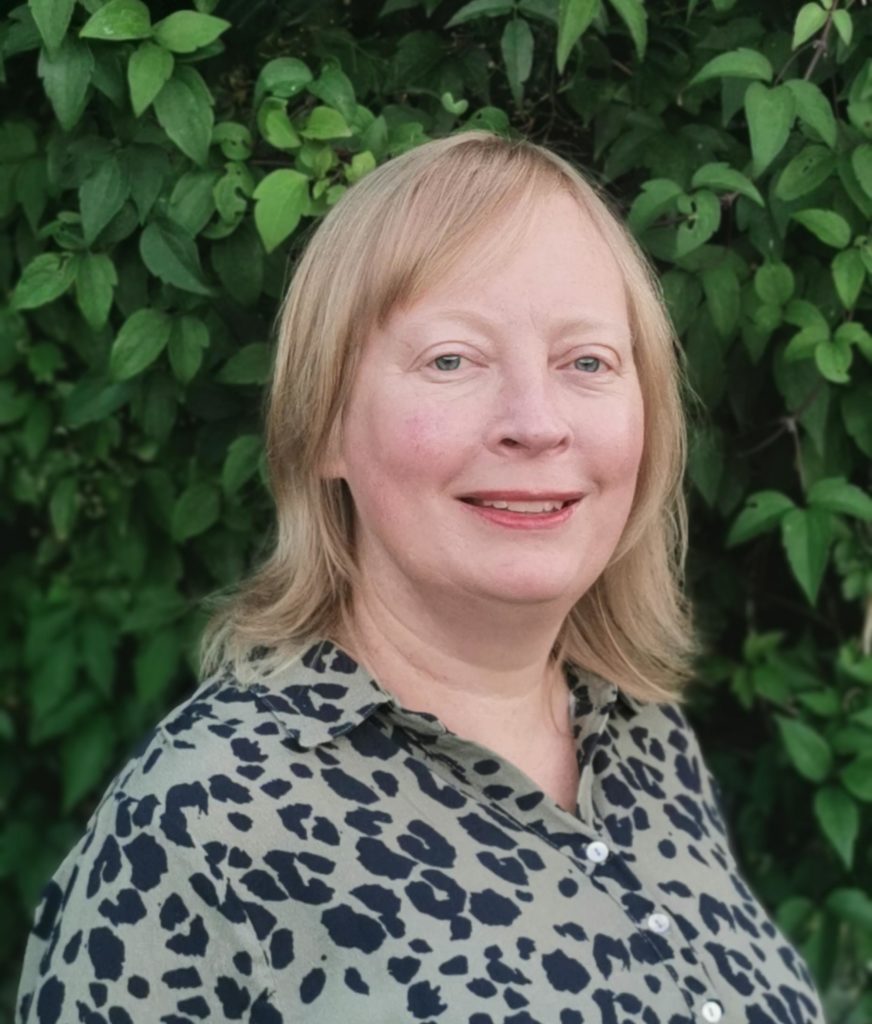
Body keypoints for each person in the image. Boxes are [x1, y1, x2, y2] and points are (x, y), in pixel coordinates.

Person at [16, 130, 826, 1024]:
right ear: (323, 424)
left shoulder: (647, 741)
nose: (536, 422)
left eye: (587, 362)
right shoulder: (202, 824)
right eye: (453, 359)